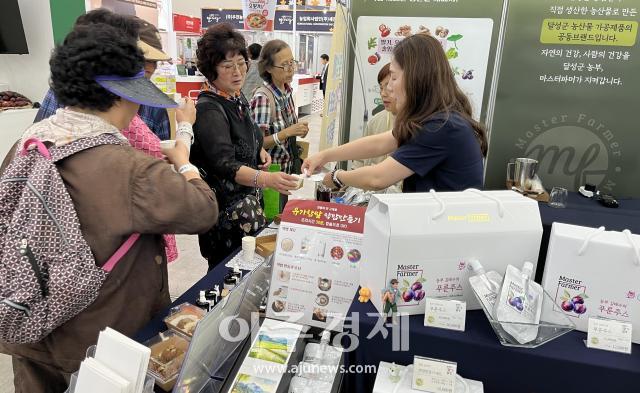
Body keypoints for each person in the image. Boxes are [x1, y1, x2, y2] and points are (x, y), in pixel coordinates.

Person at [0, 23, 218, 392]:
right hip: (97, 343)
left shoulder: (29, 143)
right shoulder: (126, 166)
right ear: (123, 92)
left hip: (31, 327)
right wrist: (184, 162)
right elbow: (203, 209)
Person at [302, 34, 487, 193]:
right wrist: (325, 155)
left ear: (416, 79)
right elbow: (381, 142)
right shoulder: (436, 118)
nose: (389, 88)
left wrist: (337, 177)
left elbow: (378, 178)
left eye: (394, 78)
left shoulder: (442, 127)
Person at [191, 24, 299, 270]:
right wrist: (266, 179)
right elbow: (225, 165)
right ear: (211, 70)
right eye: (228, 66)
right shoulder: (209, 109)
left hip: (247, 207)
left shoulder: (236, 97)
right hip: (225, 217)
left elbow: (251, 135)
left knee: (250, 268)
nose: (238, 72)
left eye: (241, 63)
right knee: (227, 274)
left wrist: (259, 150)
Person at [34, 13, 172, 141]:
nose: (149, 68)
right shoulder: (72, 92)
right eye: (144, 60)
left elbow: (163, 155)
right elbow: (41, 141)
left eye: (154, 62)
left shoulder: (155, 109)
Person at [251, 39, 309, 176]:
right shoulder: (263, 98)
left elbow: (288, 129)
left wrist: (299, 130)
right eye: (284, 65)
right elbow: (256, 144)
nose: (290, 69)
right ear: (269, 68)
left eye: (292, 63)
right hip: (270, 173)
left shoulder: (287, 92)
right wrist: (287, 132)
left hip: (286, 169)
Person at [351, 63, 397, 170]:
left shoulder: (419, 127)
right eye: (381, 88)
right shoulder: (376, 121)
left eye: (389, 87)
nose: (383, 94)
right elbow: (360, 157)